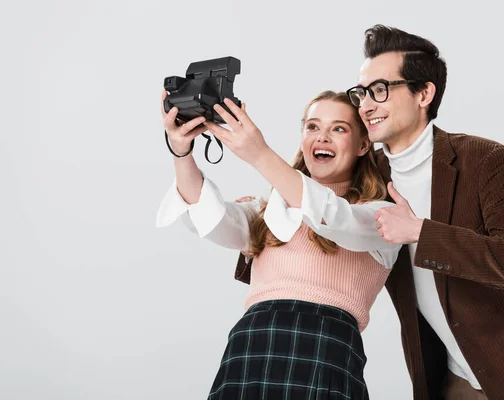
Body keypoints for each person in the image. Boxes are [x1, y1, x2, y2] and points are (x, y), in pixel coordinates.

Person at [234, 25, 504, 399]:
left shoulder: (485, 159)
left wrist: (420, 232)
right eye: (362, 93)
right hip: (449, 378)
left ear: (424, 93)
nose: (366, 105)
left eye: (380, 90)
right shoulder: (368, 172)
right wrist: (264, 221)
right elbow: (326, 211)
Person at [156, 89, 405, 399]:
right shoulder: (268, 211)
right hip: (252, 343)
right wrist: (181, 151)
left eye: (338, 128)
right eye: (312, 126)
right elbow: (209, 216)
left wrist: (260, 154)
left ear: (363, 144)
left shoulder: (383, 217)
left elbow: (331, 216)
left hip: (325, 348)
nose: (322, 137)